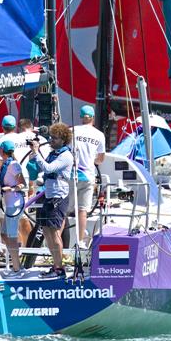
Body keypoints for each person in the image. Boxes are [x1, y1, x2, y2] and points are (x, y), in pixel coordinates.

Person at [29, 123, 74, 279]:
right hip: (49, 195)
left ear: (63, 139)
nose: (51, 140)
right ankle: (55, 265)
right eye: (51, 137)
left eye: (54, 138)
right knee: (47, 232)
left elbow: (48, 168)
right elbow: (42, 169)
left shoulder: (66, 155)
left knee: (54, 234)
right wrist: (34, 156)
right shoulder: (54, 152)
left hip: (58, 196)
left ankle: (60, 269)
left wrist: (36, 152)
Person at [70, 105, 105, 245]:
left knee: (64, 211)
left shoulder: (72, 131)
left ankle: (59, 239)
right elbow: (100, 159)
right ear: (93, 118)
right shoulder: (99, 135)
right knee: (82, 210)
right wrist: (91, 160)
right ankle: (79, 241)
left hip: (70, 175)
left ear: (81, 117)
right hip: (88, 176)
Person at [0, 140, 26, 277]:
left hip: (14, 204)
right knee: (4, 234)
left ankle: (17, 268)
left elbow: (22, 184)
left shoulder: (13, 165)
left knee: (12, 236)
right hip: (9, 203)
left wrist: (10, 189)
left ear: (2, 151)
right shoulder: (6, 164)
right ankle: (16, 260)